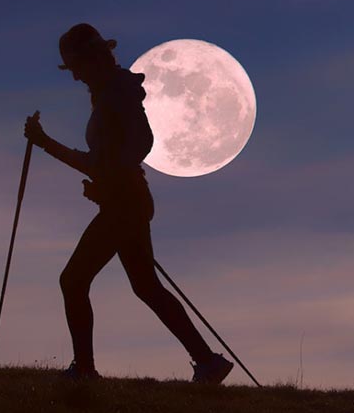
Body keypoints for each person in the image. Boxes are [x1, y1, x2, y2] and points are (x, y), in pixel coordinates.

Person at [23, 23, 234, 384]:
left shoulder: (116, 94)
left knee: (74, 280)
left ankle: (85, 371)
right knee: (145, 286)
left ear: (91, 61)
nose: (74, 76)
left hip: (125, 203)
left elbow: (140, 143)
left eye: (75, 67)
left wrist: (55, 148)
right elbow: (108, 158)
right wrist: (105, 181)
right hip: (125, 200)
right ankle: (207, 361)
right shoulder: (111, 92)